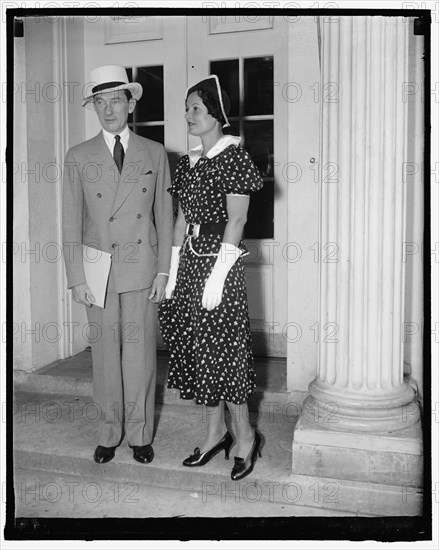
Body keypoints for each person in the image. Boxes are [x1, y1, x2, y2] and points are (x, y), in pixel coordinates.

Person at [62, 65, 173, 465]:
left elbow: (163, 214)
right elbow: (71, 222)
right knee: (105, 357)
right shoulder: (78, 156)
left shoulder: (154, 152)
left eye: (115, 100)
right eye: (100, 101)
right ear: (93, 106)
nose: (108, 109)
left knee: (140, 355)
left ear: (131, 103)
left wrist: (164, 272)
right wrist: (76, 278)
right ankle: (109, 433)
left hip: (142, 267)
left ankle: (140, 434)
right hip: (98, 270)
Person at [160, 75, 263, 480]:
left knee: (226, 353)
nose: (188, 115)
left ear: (216, 115)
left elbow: (237, 220)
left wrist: (217, 278)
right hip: (189, 264)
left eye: (195, 108)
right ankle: (213, 433)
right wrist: (171, 272)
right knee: (200, 354)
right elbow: (181, 220)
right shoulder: (187, 162)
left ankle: (246, 438)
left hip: (220, 265)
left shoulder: (234, 158)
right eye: (186, 108)